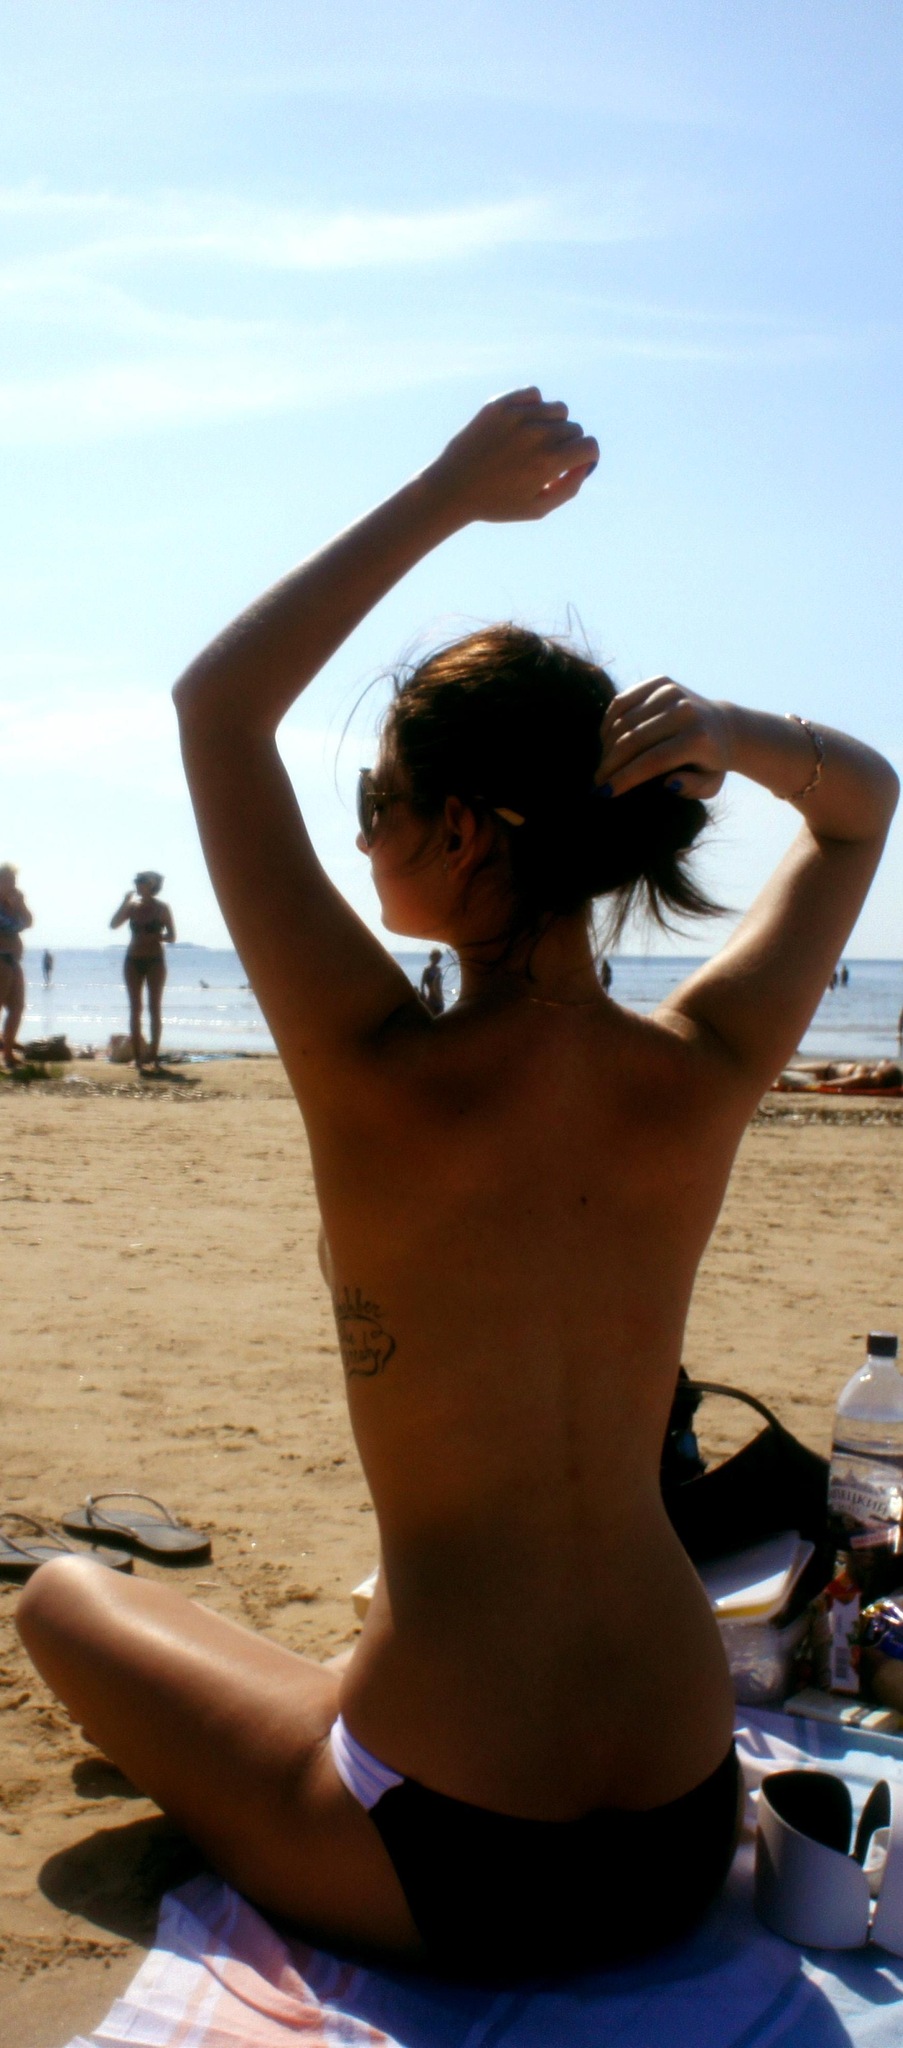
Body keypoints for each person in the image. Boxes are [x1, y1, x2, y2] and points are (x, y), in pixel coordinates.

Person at [17, 390, 899, 1980]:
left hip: (455, 1853)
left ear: (464, 833)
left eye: (377, 805)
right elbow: (860, 808)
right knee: (307, 1668)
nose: (361, 839)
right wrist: (724, 733)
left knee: (66, 1602)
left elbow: (218, 706)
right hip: (679, 1822)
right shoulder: (700, 1064)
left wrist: (443, 492)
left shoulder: (374, 1065)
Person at [109, 873, 175, 1073]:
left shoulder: (162, 908)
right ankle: (138, 1058)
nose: (137, 886)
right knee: (135, 1009)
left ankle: (153, 1057)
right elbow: (113, 924)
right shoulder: (132, 907)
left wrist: (159, 936)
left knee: (154, 1008)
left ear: (151, 885)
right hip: (133, 960)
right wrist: (124, 902)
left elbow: (172, 936)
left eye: (140, 882)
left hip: (155, 960)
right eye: (135, 882)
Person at [0, 864, 33, 1069]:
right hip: (1, 958)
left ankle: (8, 1052)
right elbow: (10, 926)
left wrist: (19, 904)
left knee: (17, 1006)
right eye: (7, 880)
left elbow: (28, 922)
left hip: (13, 960)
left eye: (13, 880)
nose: (12, 884)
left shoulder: (13, 902)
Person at [418, 948, 445, 1016]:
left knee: (441, 1017)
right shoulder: (427, 969)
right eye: (436, 957)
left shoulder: (439, 969)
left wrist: (442, 997)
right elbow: (422, 983)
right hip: (431, 997)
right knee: (432, 1017)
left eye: (439, 958)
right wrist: (423, 994)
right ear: (432, 957)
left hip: (440, 997)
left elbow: (439, 984)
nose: (438, 960)